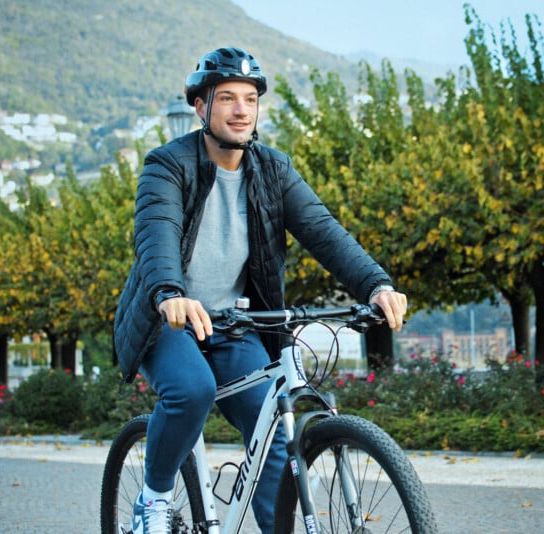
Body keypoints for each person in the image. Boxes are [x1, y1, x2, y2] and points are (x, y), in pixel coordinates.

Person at [112, 46, 407, 534]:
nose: (241, 109)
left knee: (275, 429)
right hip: (168, 317)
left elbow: (323, 230)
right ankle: (154, 499)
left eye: (250, 98)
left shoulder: (273, 170)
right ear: (201, 107)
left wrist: (375, 284)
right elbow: (157, 234)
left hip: (233, 322)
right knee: (191, 389)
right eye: (226, 97)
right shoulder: (166, 165)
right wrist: (170, 293)